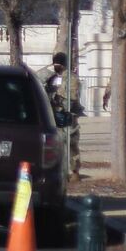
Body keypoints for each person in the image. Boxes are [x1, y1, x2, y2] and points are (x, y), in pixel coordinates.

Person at [38, 51, 83, 180]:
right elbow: (36, 81)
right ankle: (59, 170)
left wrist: (58, 98)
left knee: (71, 143)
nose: (56, 66)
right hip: (53, 116)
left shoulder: (71, 78)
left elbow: (72, 98)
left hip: (67, 115)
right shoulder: (48, 76)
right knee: (55, 144)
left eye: (58, 64)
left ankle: (74, 171)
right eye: (55, 64)